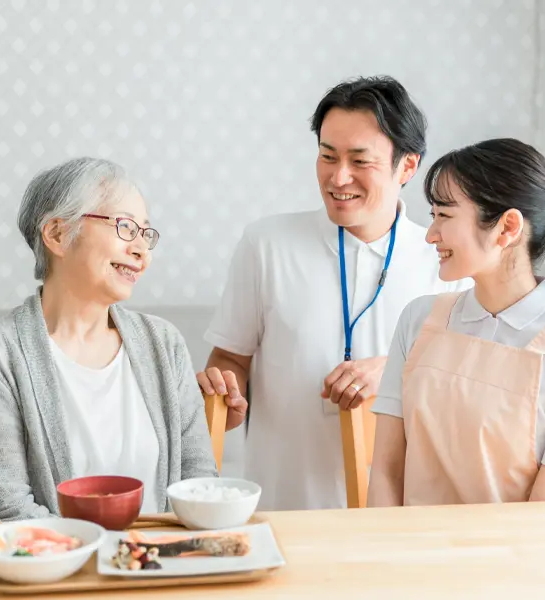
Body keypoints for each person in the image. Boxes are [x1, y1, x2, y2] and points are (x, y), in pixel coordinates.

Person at [197, 76, 470, 511]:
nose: (338, 177)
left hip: (405, 518)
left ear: (407, 166)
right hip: (283, 508)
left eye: (360, 161)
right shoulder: (266, 244)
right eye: (327, 156)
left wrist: (397, 369)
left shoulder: (447, 261)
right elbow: (230, 360)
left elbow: (467, 393)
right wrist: (225, 395)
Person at [0, 157, 217, 523]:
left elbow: (199, 485)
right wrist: (110, 560)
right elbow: (3, 511)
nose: (143, 251)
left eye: (146, 233)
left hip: (156, 568)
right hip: (51, 574)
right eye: (125, 227)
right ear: (57, 235)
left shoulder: (164, 344)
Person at [367, 138, 545, 507]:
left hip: (518, 560)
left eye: (444, 216)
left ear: (507, 227)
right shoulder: (418, 320)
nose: (430, 234)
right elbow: (387, 472)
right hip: (412, 555)